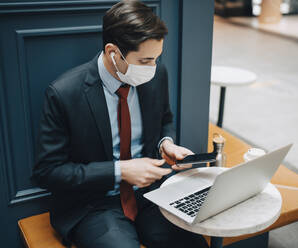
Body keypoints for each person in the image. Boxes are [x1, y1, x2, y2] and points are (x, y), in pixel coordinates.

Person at [32, 1, 209, 247]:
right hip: (93, 204)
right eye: (146, 60)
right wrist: (121, 171)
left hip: (151, 194)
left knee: (193, 244)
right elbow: (48, 172)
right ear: (114, 53)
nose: (153, 68)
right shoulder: (63, 93)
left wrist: (164, 143)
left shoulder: (157, 75)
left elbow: (165, 118)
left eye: (157, 58)